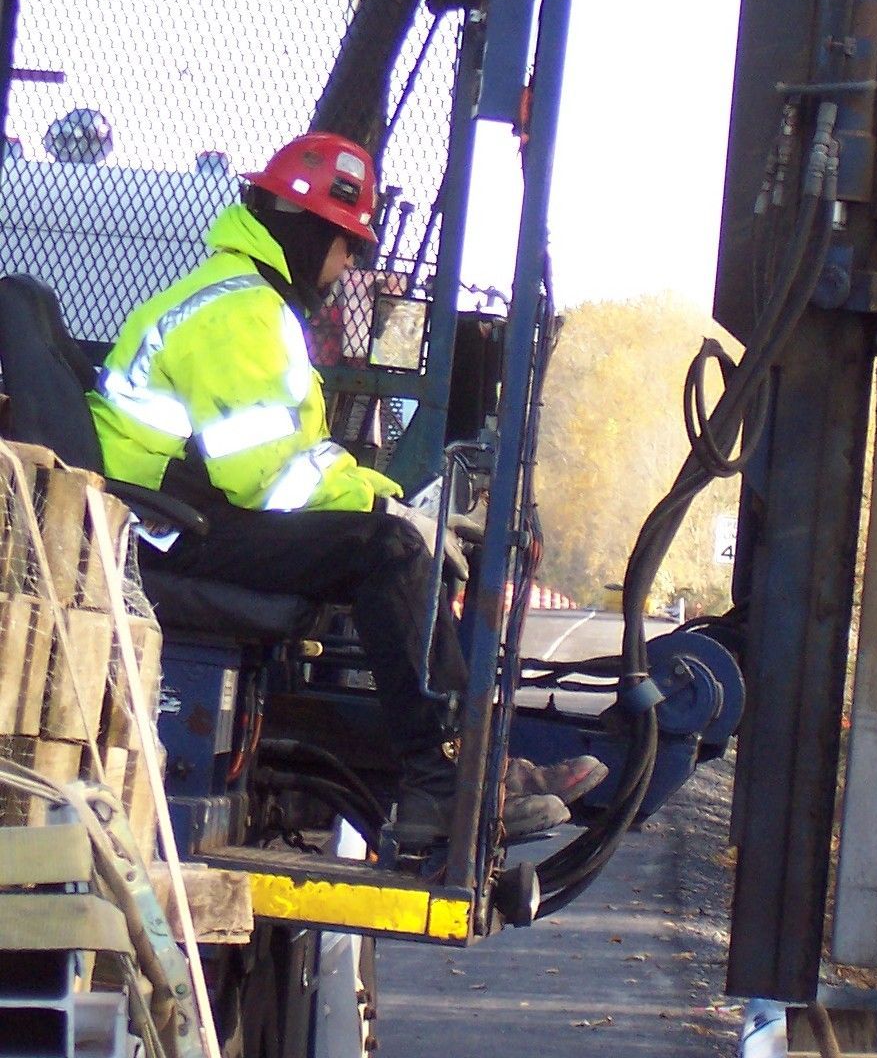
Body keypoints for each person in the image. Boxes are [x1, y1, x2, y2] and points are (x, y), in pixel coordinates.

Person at [87, 132, 602, 849]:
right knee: (384, 555)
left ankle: (463, 768)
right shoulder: (242, 316)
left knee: (386, 539)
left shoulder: (244, 303)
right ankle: (441, 781)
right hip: (158, 529)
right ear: (306, 231)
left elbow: (294, 460)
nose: (350, 264)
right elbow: (272, 482)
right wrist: (388, 517)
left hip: (174, 517)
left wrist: (388, 497)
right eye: (348, 245)